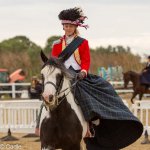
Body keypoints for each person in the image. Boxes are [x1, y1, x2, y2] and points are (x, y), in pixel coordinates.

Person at [38, 7, 143, 150]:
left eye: (69, 26)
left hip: (77, 74)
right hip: (61, 74)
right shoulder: (57, 44)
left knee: (99, 88)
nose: (67, 28)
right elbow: (54, 62)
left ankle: (93, 124)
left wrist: (83, 72)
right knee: (47, 94)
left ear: (75, 26)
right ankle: (39, 124)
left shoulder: (82, 42)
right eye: (65, 26)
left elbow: (86, 61)